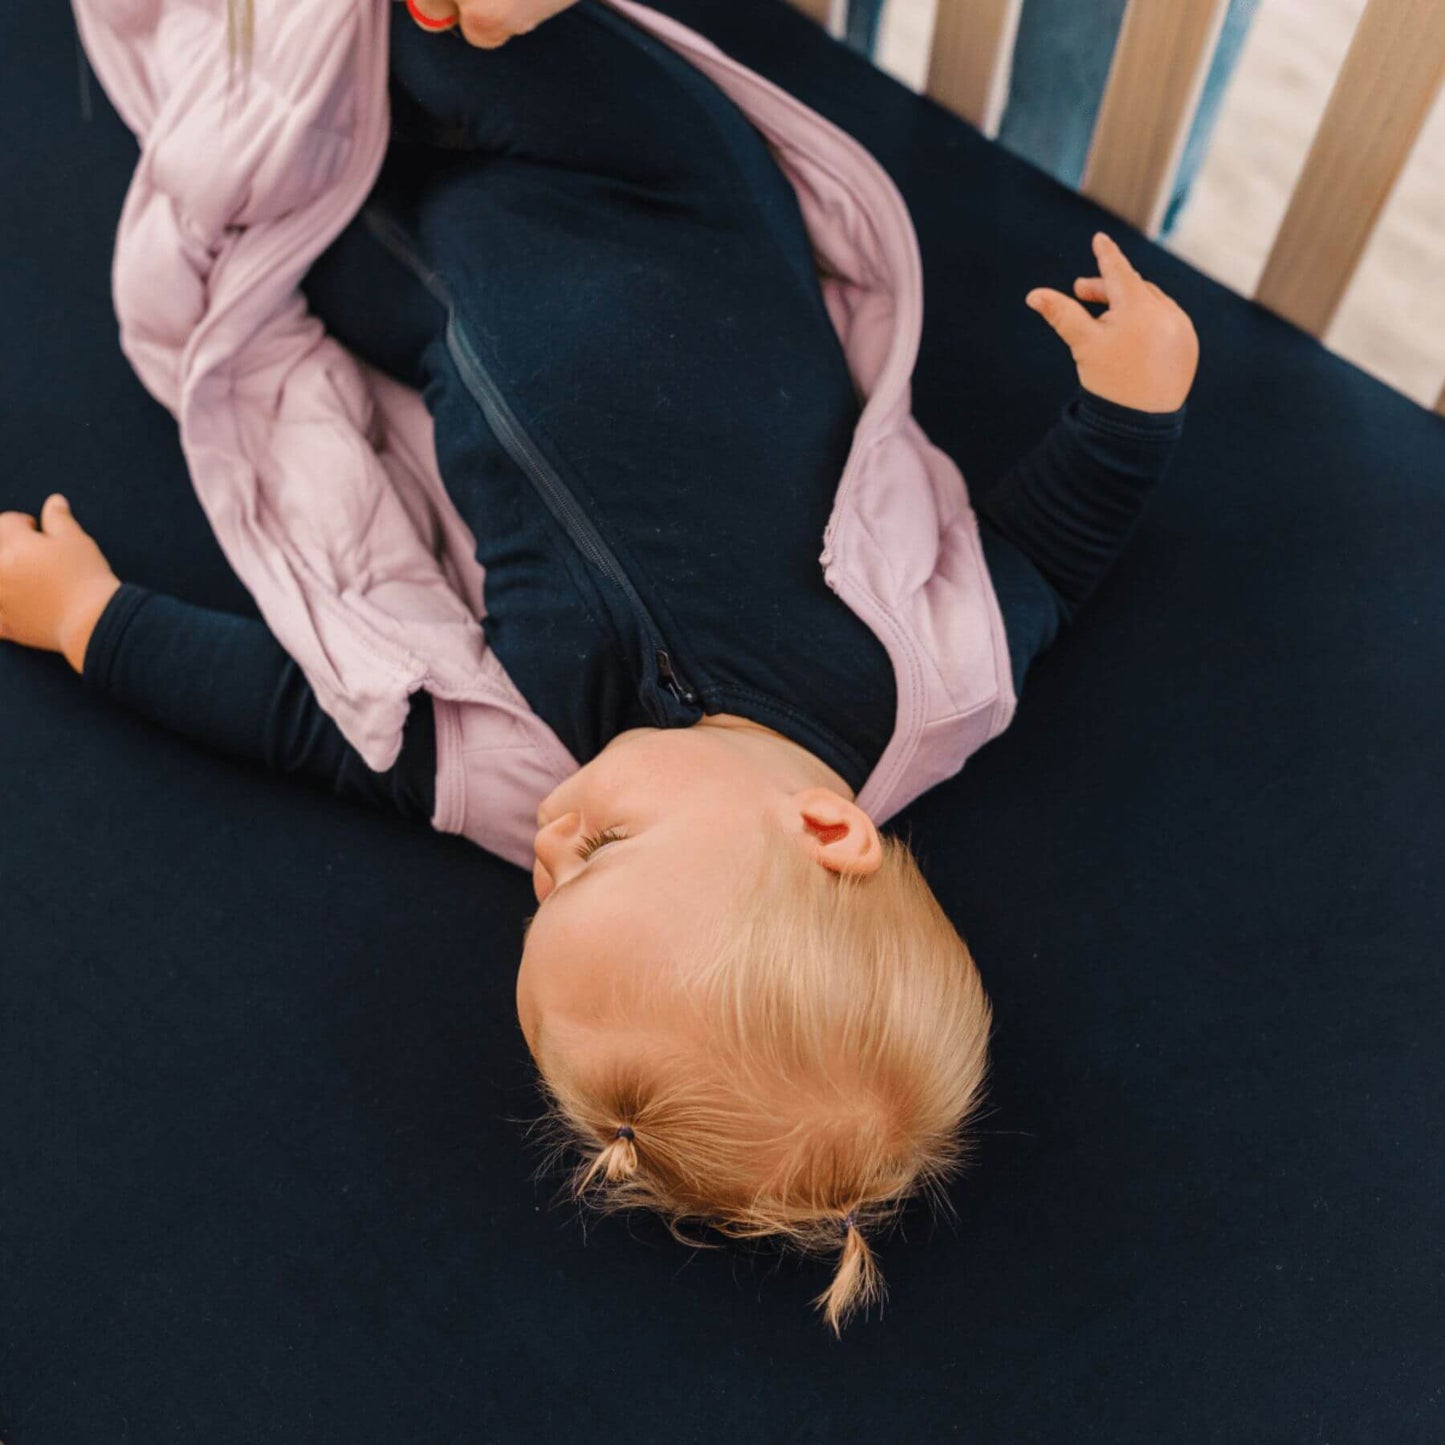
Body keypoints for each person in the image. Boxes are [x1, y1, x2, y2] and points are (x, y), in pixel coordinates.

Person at [1, 0, 1196, 1335]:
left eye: (541, 894)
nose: (550, 840)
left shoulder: (529, 768)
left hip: (421, 288)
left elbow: (302, 721)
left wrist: (89, 616)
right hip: (649, 187)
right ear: (825, 828)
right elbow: (1043, 554)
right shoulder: (929, 681)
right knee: (465, 30)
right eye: (606, 852)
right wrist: (1132, 410)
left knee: (259, 151)